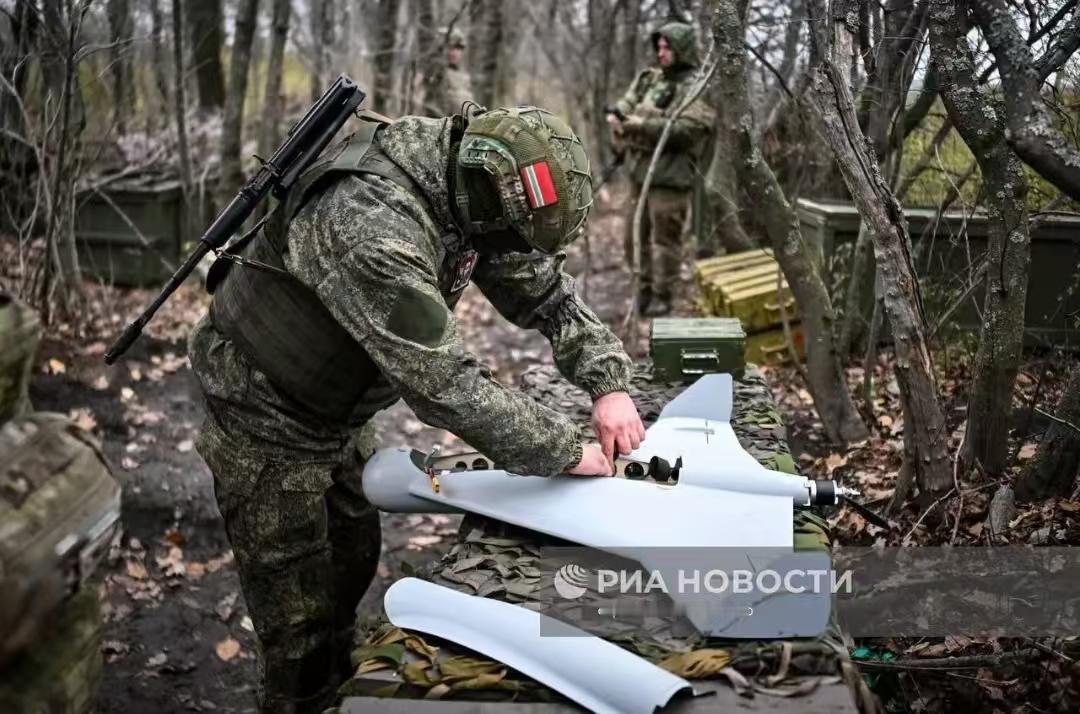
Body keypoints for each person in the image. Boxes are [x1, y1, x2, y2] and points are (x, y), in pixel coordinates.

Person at [187, 105, 645, 713]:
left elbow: (546, 291)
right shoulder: (369, 223)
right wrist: (565, 450)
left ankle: (337, 673)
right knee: (298, 624)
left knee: (352, 556)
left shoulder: (468, 188)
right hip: (263, 407)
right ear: (487, 195)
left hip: (337, 409)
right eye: (507, 236)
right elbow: (444, 384)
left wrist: (607, 382)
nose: (508, 252)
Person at [607, 21, 715, 317]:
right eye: (659, 46)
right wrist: (619, 118)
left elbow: (689, 130)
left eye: (668, 47)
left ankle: (663, 296)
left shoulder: (696, 87)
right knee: (633, 238)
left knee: (665, 242)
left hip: (671, 177)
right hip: (639, 173)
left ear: (682, 50)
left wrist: (645, 125)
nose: (661, 53)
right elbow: (627, 104)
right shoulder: (650, 80)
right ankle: (641, 292)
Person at [414, 27, 473, 116]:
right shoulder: (433, 69)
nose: (454, 52)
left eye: (458, 48)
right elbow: (418, 93)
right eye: (451, 48)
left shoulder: (464, 76)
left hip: (459, 125)